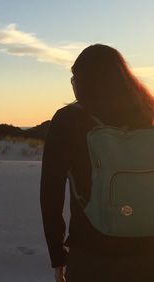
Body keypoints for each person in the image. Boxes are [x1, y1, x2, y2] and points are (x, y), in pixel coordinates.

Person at [40, 44, 154, 282]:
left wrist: (58, 256)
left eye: (74, 76)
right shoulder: (149, 114)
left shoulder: (68, 120)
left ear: (84, 79)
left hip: (92, 253)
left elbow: (51, 193)